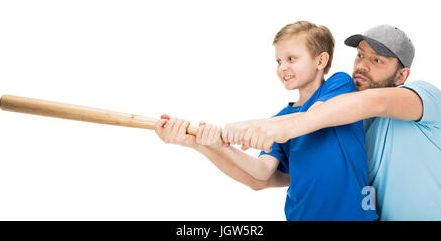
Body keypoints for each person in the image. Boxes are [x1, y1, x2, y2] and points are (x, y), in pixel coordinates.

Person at [154, 21, 378, 221]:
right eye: (279, 61)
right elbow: (261, 172)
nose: (282, 68)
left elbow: (310, 118)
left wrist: (246, 127)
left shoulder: (340, 85)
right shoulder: (278, 120)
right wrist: (216, 145)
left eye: (291, 59)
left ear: (321, 60)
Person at [232, 24, 441, 220]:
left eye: (377, 60)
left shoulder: (426, 95)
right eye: (360, 55)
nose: (361, 65)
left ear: (402, 75)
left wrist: (277, 127)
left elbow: (377, 101)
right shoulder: (352, 124)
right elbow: (287, 175)